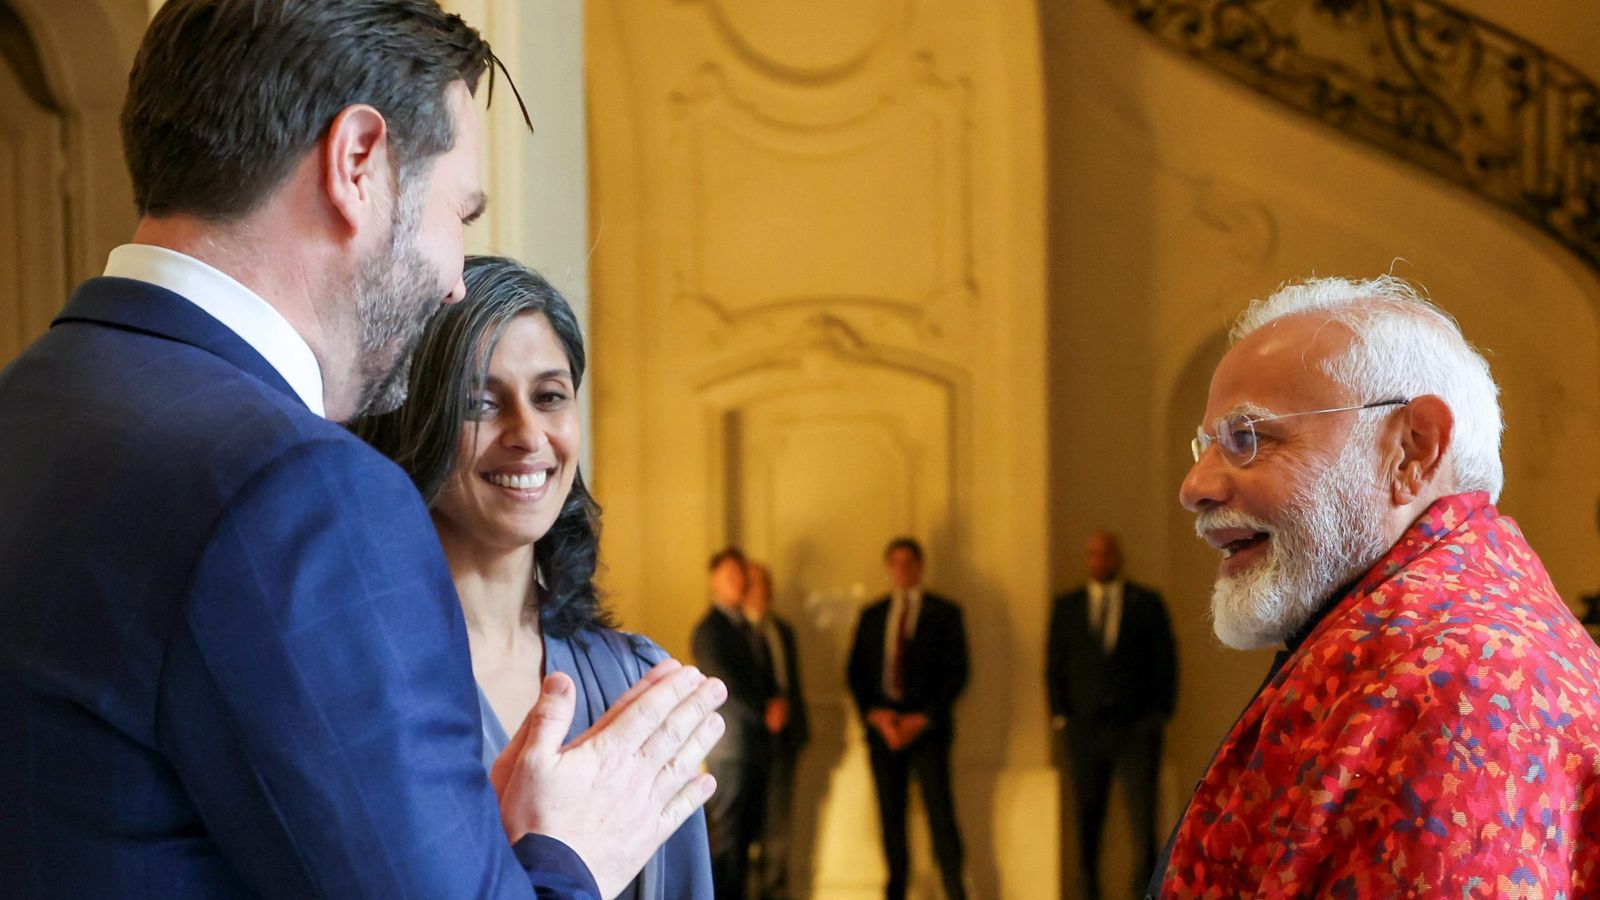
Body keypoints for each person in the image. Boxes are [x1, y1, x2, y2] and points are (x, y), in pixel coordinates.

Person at [0, 3, 724, 897]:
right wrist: (566, 856)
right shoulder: (301, 490)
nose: (455, 280)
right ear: (357, 163)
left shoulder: (32, 401)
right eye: (459, 212)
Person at [1153, 275, 1600, 897]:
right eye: (1204, 446)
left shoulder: (1462, 683)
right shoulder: (1441, 639)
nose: (1194, 487)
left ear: (1414, 450)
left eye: (1247, 438)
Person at [354, 255, 714, 898]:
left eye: (549, 397)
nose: (528, 434)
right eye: (480, 403)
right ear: (411, 423)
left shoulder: (635, 680)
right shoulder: (359, 684)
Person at [1047, 531, 1176, 900]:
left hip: (1136, 728)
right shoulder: (1068, 606)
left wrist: (1159, 714)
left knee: (1143, 821)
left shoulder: (1145, 603)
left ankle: (1144, 894)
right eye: (1093, 553)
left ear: (1118, 557)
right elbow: (1054, 664)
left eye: (1106, 553)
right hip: (1084, 730)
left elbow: (1165, 660)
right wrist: (1061, 715)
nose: (1099, 560)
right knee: (1087, 822)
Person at [846, 538, 970, 900]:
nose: (902, 569)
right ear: (889, 567)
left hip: (928, 730)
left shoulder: (945, 613)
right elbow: (855, 673)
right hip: (884, 730)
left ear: (919, 566)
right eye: (895, 563)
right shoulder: (873, 614)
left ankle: (954, 888)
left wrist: (924, 718)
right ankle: (896, 889)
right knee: (890, 816)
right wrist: (876, 715)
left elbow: (958, 672)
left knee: (940, 813)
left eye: (908, 562)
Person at [691, 547, 775, 900]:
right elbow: (726, 687)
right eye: (730, 576)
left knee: (745, 839)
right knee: (728, 840)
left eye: (742, 576)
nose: (738, 582)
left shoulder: (747, 627)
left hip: (753, 747)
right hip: (730, 749)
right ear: (714, 581)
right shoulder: (711, 630)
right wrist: (765, 712)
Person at [742, 562, 809, 900]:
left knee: (780, 825)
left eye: (767, 583)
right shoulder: (736, 633)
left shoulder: (783, 631)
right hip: (749, 745)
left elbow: (792, 684)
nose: (763, 590)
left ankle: (775, 892)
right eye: (756, 583)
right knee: (747, 827)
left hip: (785, 741)